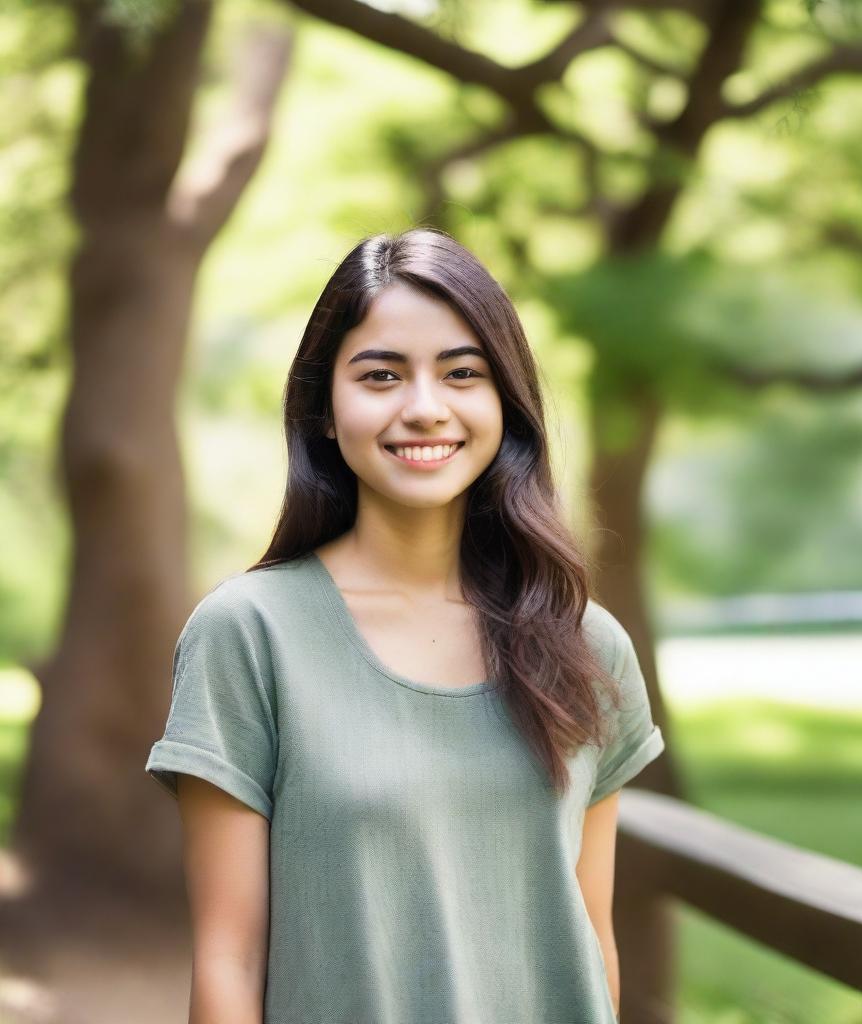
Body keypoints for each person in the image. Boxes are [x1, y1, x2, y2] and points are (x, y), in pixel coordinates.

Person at [145, 226, 665, 1024]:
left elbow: (591, 937)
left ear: (505, 404)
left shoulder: (586, 643)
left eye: (462, 374)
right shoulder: (249, 635)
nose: (425, 409)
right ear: (323, 408)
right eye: (382, 376)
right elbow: (228, 959)